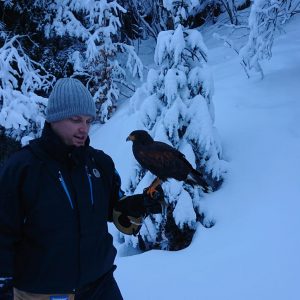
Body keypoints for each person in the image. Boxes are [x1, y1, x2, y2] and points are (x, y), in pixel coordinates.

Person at [0, 78, 163, 300]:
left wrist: (135, 206)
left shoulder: (99, 164)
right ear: (53, 119)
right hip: (41, 292)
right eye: (75, 119)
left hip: (100, 286)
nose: (83, 129)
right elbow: (3, 232)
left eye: (88, 121)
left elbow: (113, 212)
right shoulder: (23, 168)